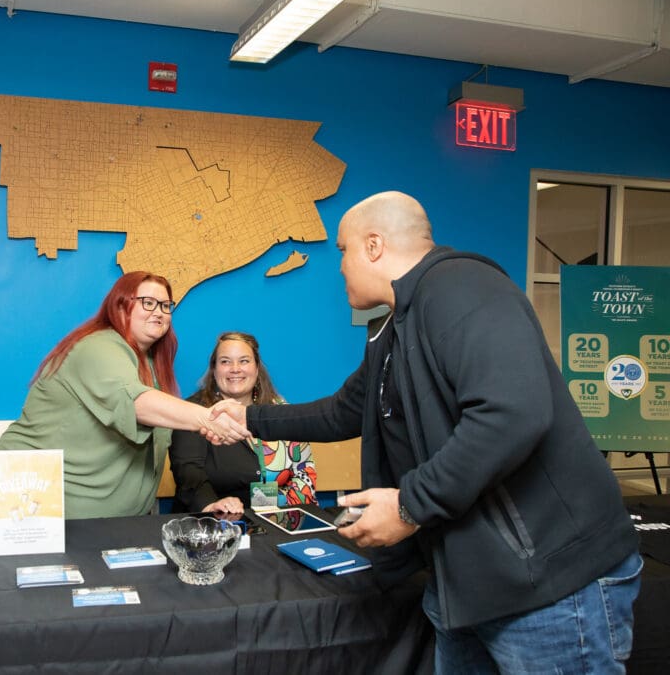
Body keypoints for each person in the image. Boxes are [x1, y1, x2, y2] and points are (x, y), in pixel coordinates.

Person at [210, 191, 641, 673]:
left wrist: (409, 504)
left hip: (546, 584)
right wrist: (247, 417)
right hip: (465, 582)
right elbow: (342, 412)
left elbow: (511, 413)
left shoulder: (462, 286)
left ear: (374, 245)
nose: (340, 267)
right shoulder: (394, 325)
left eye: (343, 251)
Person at [0, 271, 248, 520]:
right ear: (120, 306)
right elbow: (137, 403)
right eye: (147, 303)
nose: (158, 311)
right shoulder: (97, 347)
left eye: (165, 305)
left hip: (117, 525)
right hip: (43, 504)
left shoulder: (149, 363)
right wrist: (210, 418)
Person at [169, 332, 316, 514]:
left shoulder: (278, 410)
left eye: (244, 361)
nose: (235, 369)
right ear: (214, 370)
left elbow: (303, 471)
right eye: (225, 362)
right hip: (213, 523)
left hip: (276, 522)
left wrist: (288, 520)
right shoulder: (196, 411)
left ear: (256, 369)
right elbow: (188, 472)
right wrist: (211, 505)